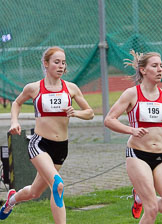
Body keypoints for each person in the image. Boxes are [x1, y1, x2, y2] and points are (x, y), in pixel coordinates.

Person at [0, 46, 94, 223]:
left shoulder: (71, 88)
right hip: (39, 144)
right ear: (46, 64)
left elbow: (89, 112)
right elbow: (16, 103)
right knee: (58, 185)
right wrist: (14, 121)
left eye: (63, 63)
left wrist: (75, 113)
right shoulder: (34, 88)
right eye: (56, 62)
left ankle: (11, 200)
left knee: (35, 192)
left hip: (61, 148)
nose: (61, 66)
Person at [104, 50, 162, 223]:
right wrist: (131, 130)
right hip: (138, 155)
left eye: (161, 66)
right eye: (154, 66)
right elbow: (109, 120)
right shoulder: (132, 94)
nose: (160, 69)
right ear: (143, 70)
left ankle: (140, 197)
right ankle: (144, 199)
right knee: (152, 208)